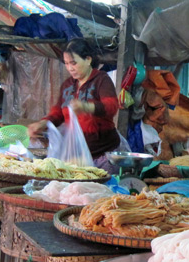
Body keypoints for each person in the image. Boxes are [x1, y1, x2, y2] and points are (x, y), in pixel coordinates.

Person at [27, 38, 122, 174]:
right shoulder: (68, 85)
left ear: (88, 59)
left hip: (103, 155)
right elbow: (58, 112)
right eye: (66, 63)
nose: (70, 68)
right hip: (77, 156)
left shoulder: (101, 79)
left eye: (74, 63)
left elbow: (111, 106)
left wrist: (86, 107)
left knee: (102, 191)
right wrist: (43, 124)